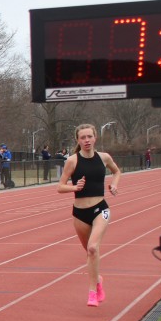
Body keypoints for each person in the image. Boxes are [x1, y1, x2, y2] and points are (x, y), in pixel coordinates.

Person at [57, 124, 121, 307]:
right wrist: (74, 188)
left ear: (95, 138)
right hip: (80, 213)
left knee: (93, 248)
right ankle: (98, 280)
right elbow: (60, 187)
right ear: (78, 140)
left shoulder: (104, 157)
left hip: (100, 208)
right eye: (82, 137)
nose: (86, 140)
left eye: (89, 137)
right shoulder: (72, 161)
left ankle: (92, 292)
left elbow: (116, 171)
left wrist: (114, 185)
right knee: (90, 253)